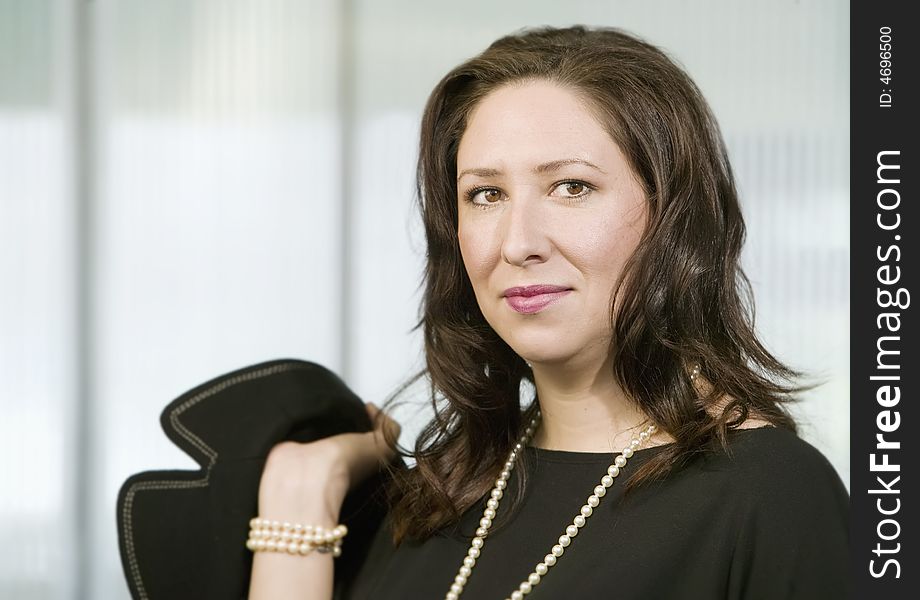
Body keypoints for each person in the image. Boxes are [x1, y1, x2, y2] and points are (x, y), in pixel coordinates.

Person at [247, 25, 849, 599]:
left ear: (674, 215)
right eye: (486, 194)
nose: (517, 242)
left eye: (572, 187)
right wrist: (299, 496)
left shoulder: (769, 495)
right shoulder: (430, 499)